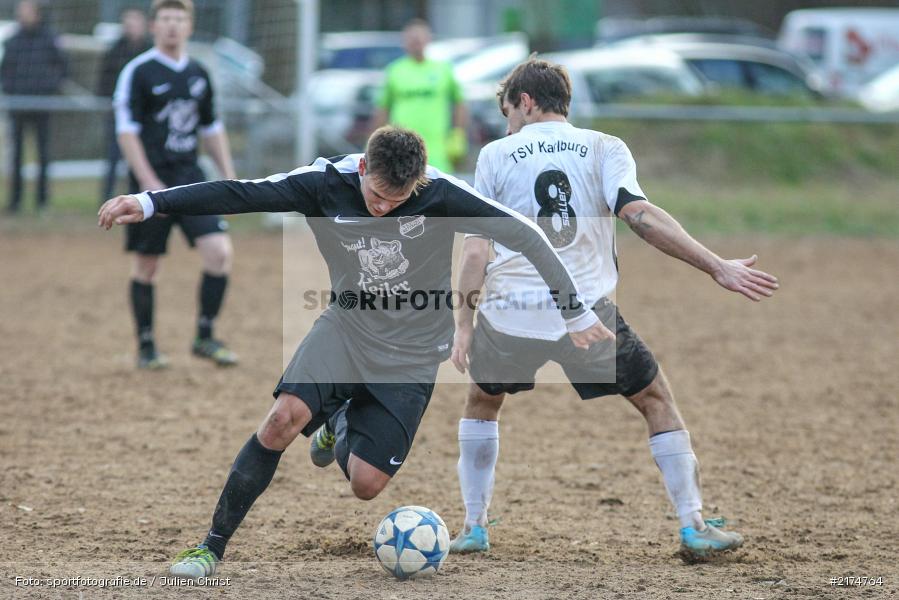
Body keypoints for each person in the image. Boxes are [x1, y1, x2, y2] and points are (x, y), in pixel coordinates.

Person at [98, 125, 615, 579]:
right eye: (377, 196)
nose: (383, 207)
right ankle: (211, 546)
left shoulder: (440, 193)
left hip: (413, 354)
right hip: (345, 332)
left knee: (367, 485)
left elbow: (526, 235)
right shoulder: (324, 183)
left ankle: (336, 422)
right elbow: (240, 192)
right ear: (363, 167)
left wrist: (574, 311)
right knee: (279, 422)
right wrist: (151, 202)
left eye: (397, 200)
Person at [447, 57, 780, 560]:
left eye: (508, 109)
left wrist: (465, 325)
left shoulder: (495, 155)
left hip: (511, 312)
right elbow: (640, 216)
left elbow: (475, 250)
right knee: (655, 400)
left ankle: (473, 527)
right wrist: (715, 265)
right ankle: (692, 526)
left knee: (482, 401)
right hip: (587, 316)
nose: (506, 121)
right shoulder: (605, 147)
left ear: (527, 102)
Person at [113, 0, 237, 369]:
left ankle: (205, 335)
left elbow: (211, 128)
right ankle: (147, 346)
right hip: (150, 180)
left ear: (189, 26)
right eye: (165, 19)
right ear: (154, 26)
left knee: (220, 253)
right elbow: (127, 131)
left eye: (179, 19)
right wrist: (148, 183)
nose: (172, 26)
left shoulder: (199, 72)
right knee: (147, 265)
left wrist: (229, 175)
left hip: (189, 178)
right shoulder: (139, 71)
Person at [371, 19, 468, 172]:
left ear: (428, 39)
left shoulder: (443, 69)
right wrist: (376, 141)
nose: (416, 42)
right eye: (412, 38)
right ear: (404, 42)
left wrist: (457, 135)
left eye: (420, 37)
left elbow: (459, 104)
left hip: (437, 149)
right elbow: (382, 108)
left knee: (438, 190)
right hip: (400, 147)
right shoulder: (395, 70)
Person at [1, 0, 67, 214]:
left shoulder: (49, 39)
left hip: (43, 105)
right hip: (19, 105)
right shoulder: (13, 40)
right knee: (16, 155)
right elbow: (5, 70)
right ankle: (16, 201)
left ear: (37, 14)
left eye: (27, 10)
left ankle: (42, 202)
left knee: (43, 153)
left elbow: (63, 68)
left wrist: (49, 86)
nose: (24, 14)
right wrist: (11, 89)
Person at [97, 6, 151, 203]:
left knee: (141, 158)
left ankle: (140, 196)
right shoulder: (115, 51)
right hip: (118, 115)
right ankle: (107, 197)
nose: (131, 27)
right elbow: (103, 80)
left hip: (145, 117)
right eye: (127, 23)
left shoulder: (150, 52)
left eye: (135, 23)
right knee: (112, 158)